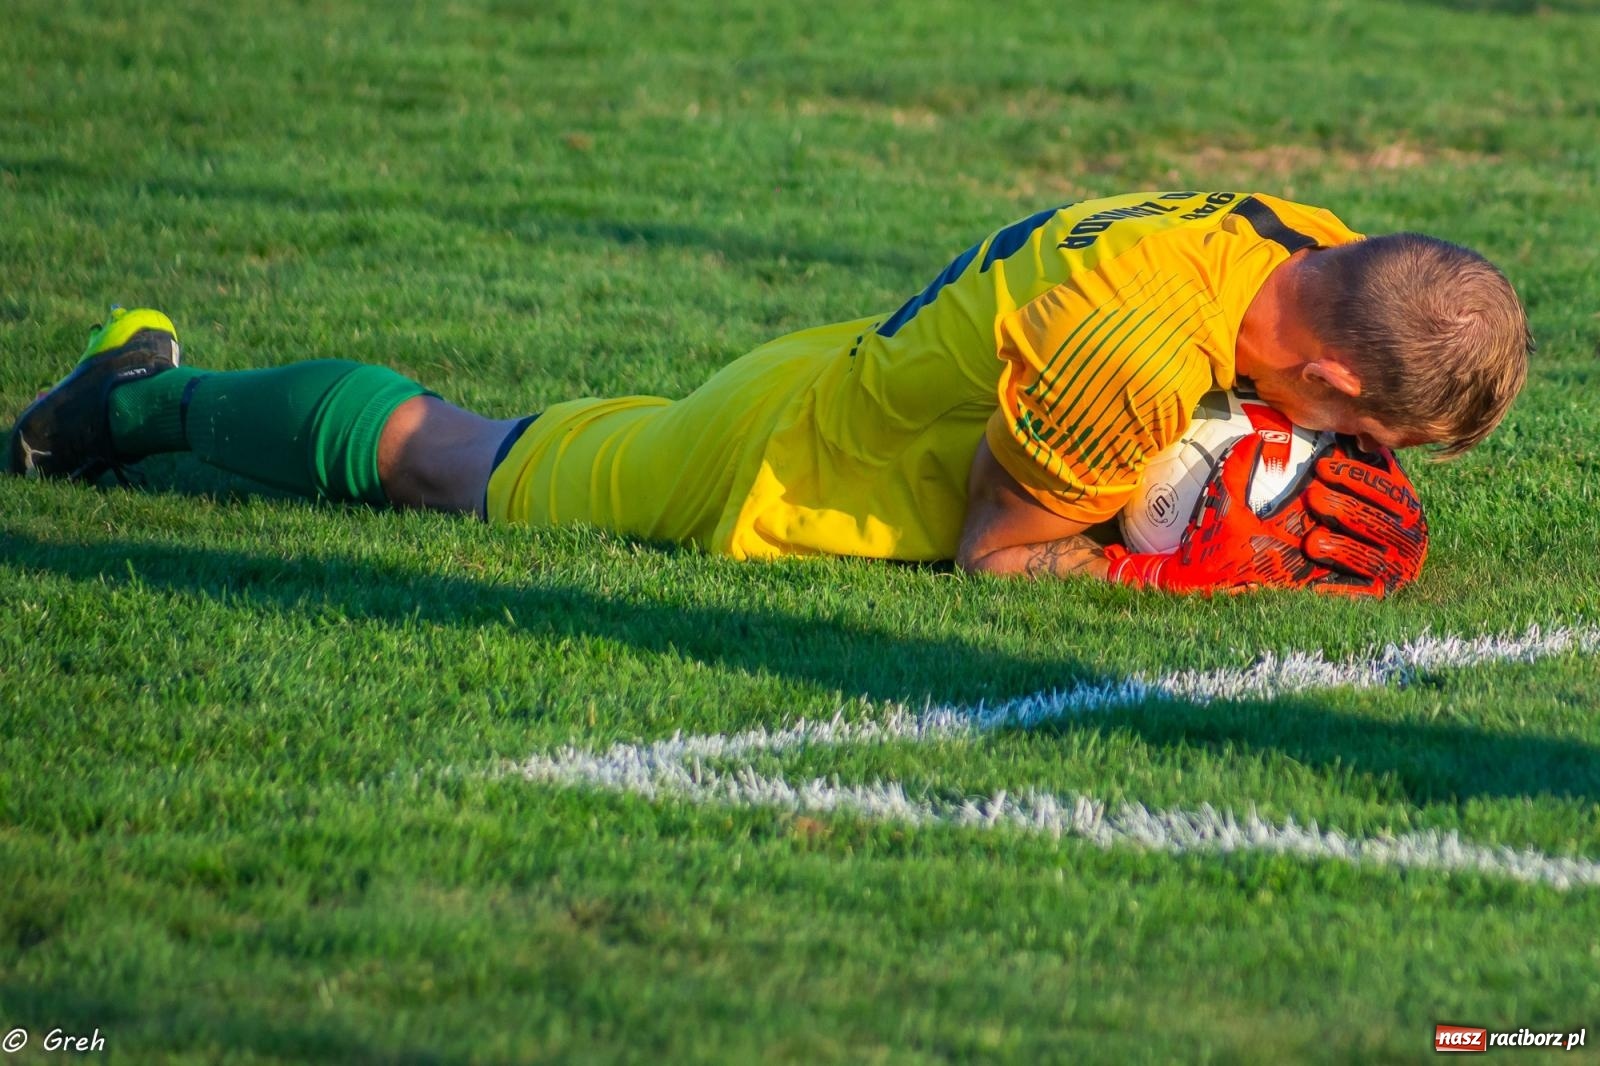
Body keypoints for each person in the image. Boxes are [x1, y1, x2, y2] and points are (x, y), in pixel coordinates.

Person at [7, 191, 1530, 596]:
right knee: (447, 460)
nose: (1343, 452)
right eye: (1356, 427)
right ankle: (145, 393)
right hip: (789, 472)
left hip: (854, 365)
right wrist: (1207, 572)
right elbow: (999, 557)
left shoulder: (1308, 248)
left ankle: (153, 390)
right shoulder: (1134, 357)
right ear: (1327, 368)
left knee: (469, 454)